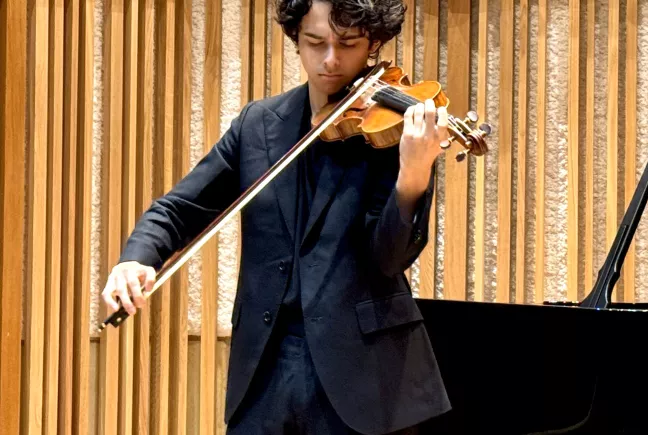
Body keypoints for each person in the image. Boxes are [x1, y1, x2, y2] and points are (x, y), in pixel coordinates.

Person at [101, 0, 452, 433]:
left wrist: (413, 172)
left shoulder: (397, 129)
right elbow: (179, 208)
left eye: (348, 44)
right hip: (265, 370)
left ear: (373, 43)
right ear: (296, 39)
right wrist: (135, 258)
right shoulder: (258, 125)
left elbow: (388, 259)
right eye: (315, 42)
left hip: (365, 376)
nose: (329, 59)